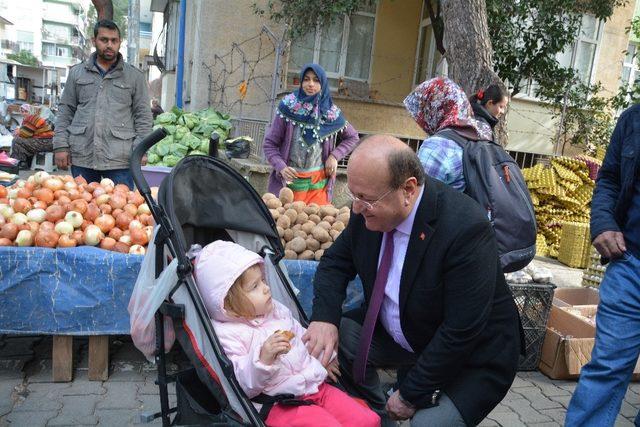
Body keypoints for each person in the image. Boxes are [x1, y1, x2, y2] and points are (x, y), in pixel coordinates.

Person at [302, 135, 521, 426]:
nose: (355, 208)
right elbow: (334, 264)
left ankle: (402, 400)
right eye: (353, 196)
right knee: (336, 339)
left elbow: (461, 330)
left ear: (408, 189)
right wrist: (324, 319)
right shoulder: (368, 209)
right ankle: (377, 413)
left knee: (426, 424)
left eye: (365, 199)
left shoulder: (465, 228)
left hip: (472, 355)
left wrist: (410, 393)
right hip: (410, 331)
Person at [194, 240, 380, 427]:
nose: (266, 288)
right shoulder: (227, 334)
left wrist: (326, 356)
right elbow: (242, 384)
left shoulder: (276, 310)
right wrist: (262, 359)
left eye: (263, 281)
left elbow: (302, 334)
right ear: (228, 303)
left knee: (368, 420)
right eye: (254, 287)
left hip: (314, 385)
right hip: (279, 402)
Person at [565, 104, 640, 426]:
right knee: (608, 367)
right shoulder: (634, 118)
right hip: (630, 265)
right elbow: (609, 177)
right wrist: (603, 223)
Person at [53, 19, 152, 189]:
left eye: (114, 41)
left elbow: (143, 115)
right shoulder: (77, 73)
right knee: (82, 208)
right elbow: (65, 111)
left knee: (121, 211)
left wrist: (141, 150)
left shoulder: (134, 76)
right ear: (94, 41)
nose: (109, 45)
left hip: (119, 160)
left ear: (120, 42)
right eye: (104, 40)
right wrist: (60, 145)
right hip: (83, 156)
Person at [263, 63, 359, 205]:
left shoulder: (331, 113)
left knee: (315, 223)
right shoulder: (288, 106)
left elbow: (352, 137)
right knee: (286, 223)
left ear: (323, 83)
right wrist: (281, 167)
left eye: (316, 80)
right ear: (301, 82)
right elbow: (269, 144)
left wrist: (334, 156)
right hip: (289, 185)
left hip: (318, 186)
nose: (310, 84)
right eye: (306, 79)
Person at [404, 77, 492, 192]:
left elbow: (418, 198)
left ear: (433, 108)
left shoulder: (437, 147)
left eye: (422, 112)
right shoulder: (481, 134)